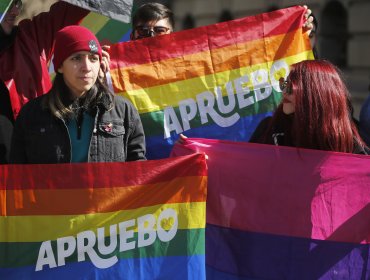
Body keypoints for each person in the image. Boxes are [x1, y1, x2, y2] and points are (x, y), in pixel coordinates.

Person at [10, 25, 146, 164]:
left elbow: (137, 170)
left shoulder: (123, 111)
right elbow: (17, 175)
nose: (86, 67)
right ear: (60, 66)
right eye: (76, 58)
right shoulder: (31, 114)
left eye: (93, 59)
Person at [0, 0, 89, 163]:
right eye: (6, 4)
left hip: (35, 164)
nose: (13, 10)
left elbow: (75, 8)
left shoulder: (33, 37)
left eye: (17, 3)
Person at [249, 60, 367, 154]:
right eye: (284, 85)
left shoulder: (349, 145)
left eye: (291, 87)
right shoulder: (268, 130)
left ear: (316, 95)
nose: (284, 92)